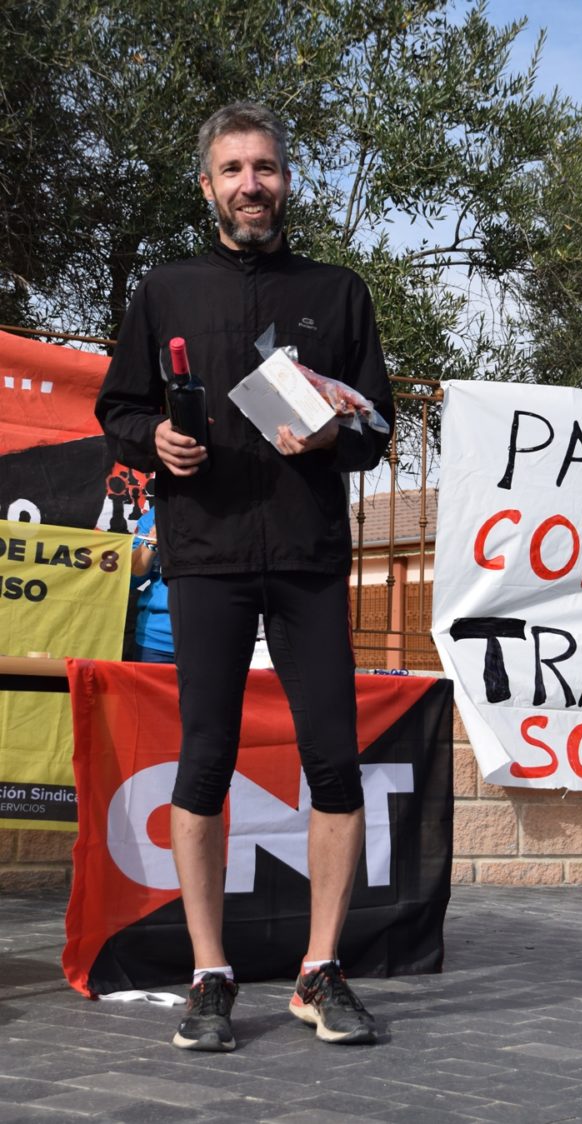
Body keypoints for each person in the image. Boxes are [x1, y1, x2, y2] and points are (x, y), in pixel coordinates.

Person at [95, 101, 394, 1052]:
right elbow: (119, 406)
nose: (251, 184)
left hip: (307, 560)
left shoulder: (340, 292)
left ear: (286, 180)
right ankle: (210, 975)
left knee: (335, 763)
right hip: (207, 559)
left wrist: (336, 432)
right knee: (204, 763)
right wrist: (159, 440)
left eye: (264, 167)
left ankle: (319, 973)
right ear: (208, 186)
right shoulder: (166, 289)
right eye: (233, 170)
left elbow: (378, 429)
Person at [130, 507, 174, 663]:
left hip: (217, 636)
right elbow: (131, 579)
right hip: (157, 641)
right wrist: (152, 540)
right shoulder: (159, 512)